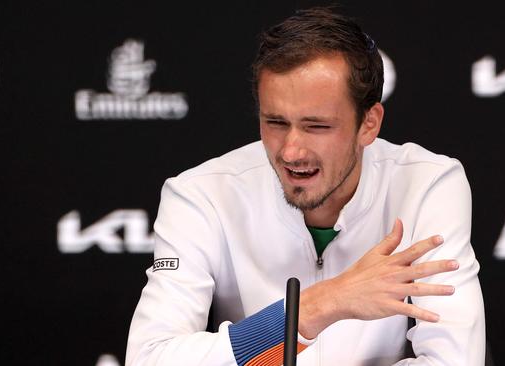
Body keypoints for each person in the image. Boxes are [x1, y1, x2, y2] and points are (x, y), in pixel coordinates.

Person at [126, 7, 485, 366]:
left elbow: (455, 360)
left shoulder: (427, 184)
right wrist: (319, 304)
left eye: (317, 126)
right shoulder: (201, 194)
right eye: (276, 122)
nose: (291, 151)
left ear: (369, 124)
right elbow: (149, 358)